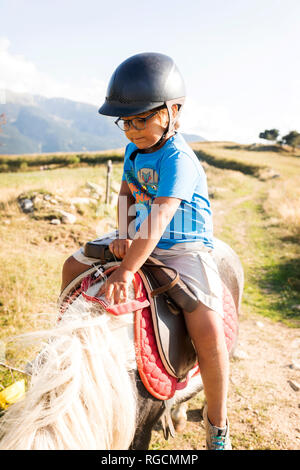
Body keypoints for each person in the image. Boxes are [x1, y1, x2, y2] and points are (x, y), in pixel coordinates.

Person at [61, 52, 231, 450]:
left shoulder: (179, 159)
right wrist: (121, 234)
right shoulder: (134, 151)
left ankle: (218, 421)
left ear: (174, 110)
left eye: (142, 119)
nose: (133, 130)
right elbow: (125, 195)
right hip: (140, 234)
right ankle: (64, 342)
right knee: (73, 264)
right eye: (127, 122)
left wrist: (125, 270)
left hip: (181, 247)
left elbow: (159, 218)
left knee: (208, 330)